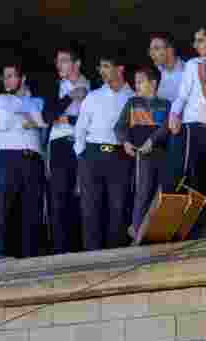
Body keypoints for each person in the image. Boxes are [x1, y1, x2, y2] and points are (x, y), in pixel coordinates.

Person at [75, 56, 135, 252]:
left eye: (107, 66)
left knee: (118, 207)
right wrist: (82, 155)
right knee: (90, 208)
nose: (102, 71)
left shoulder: (133, 97)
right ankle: (91, 255)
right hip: (92, 154)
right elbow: (80, 129)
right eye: (100, 67)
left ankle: (114, 255)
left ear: (120, 69)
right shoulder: (93, 96)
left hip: (120, 156)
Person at [0, 63, 46, 261]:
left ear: (22, 79)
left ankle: (31, 255)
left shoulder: (36, 101)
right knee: (2, 206)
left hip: (33, 157)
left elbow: (40, 119)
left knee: (32, 207)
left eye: (11, 76)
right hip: (6, 155)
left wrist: (32, 118)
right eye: (4, 77)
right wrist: (30, 119)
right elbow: (6, 122)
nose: (6, 81)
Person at [168, 26, 206, 200]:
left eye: (200, 40)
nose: (195, 45)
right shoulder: (193, 65)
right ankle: (193, 225)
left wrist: (204, 83)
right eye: (195, 41)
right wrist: (174, 114)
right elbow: (182, 95)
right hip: (192, 128)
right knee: (193, 180)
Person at [115, 65, 171, 240]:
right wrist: (124, 142)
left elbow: (167, 127)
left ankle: (157, 232)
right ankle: (138, 232)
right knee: (143, 191)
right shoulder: (132, 103)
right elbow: (119, 126)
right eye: (135, 82)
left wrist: (152, 140)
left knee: (161, 192)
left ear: (153, 83)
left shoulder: (166, 104)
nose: (136, 85)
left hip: (162, 153)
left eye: (140, 82)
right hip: (142, 155)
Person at [43, 46, 91, 255]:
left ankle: (79, 247)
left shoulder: (93, 85)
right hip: (60, 144)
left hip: (85, 144)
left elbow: (96, 119)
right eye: (57, 61)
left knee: (83, 195)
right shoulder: (54, 86)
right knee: (59, 195)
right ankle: (60, 250)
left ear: (76, 64)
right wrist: (71, 96)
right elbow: (47, 116)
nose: (58, 65)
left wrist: (68, 118)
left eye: (63, 60)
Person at [148, 34, 187, 192]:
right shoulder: (156, 73)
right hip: (157, 137)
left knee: (174, 187)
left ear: (170, 50)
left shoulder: (186, 72)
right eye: (150, 49)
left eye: (156, 49)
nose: (151, 53)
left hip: (178, 136)